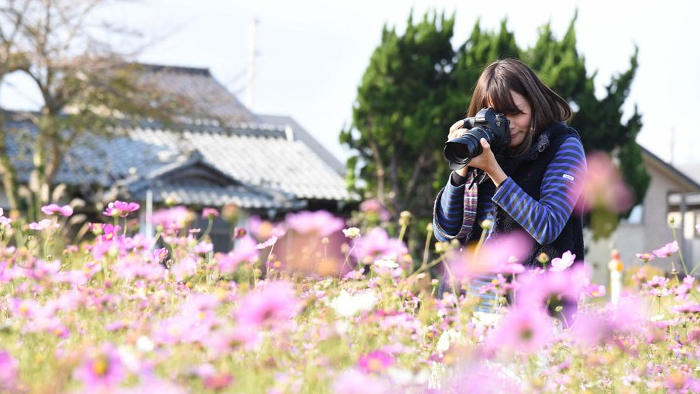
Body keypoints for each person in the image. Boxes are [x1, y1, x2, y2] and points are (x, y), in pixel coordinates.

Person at [432, 58, 587, 323]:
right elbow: (446, 233)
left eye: (516, 113)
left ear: (536, 106)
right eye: (497, 117)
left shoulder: (562, 146)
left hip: (531, 315)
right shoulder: (484, 146)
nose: (508, 125)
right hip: (467, 309)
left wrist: (495, 172)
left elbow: (548, 226)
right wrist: (460, 167)